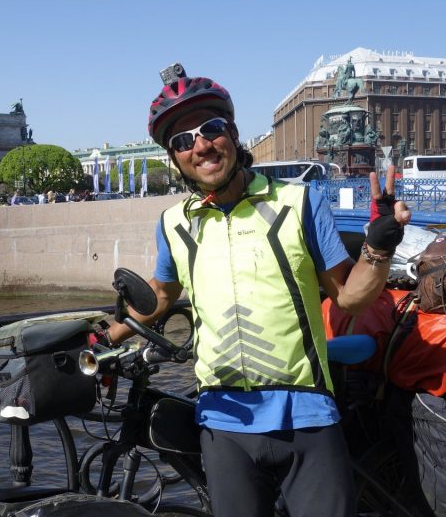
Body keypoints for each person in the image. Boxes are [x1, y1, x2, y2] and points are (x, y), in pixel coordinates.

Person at [99, 66, 411, 517]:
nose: (200, 145)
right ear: (174, 157)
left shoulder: (297, 202)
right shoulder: (174, 224)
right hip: (222, 422)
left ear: (233, 133)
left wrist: (379, 244)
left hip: (305, 415)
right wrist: (100, 338)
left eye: (210, 129)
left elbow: (349, 297)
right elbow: (160, 296)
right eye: (183, 140)